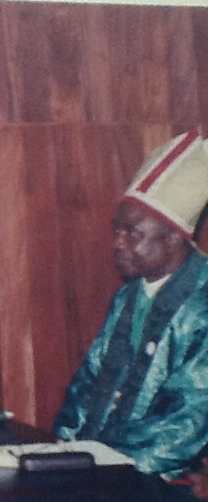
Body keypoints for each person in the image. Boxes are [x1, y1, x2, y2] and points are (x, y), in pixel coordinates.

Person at [53, 130, 208, 479]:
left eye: (132, 233)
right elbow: (87, 385)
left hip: (157, 480)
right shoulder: (127, 297)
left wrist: (103, 465)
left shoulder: (202, 305)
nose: (118, 244)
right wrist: (62, 452)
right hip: (102, 471)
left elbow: (189, 418)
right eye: (116, 231)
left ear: (173, 239)